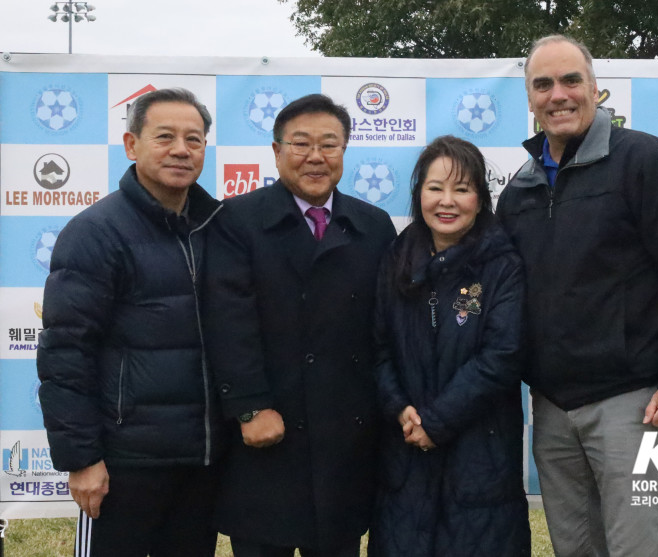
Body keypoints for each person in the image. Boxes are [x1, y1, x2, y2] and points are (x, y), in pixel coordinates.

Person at [496, 35, 658, 556]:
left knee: (637, 549)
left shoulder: (645, 160)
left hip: (633, 406)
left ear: (595, 90)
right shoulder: (520, 191)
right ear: (529, 99)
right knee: (575, 550)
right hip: (552, 410)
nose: (559, 94)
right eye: (543, 84)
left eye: (571, 80)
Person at [203, 93, 397, 557]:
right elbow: (227, 320)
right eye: (301, 144)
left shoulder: (373, 226)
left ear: (344, 152)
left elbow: (387, 328)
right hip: (268, 431)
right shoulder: (237, 220)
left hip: (344, 436)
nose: (316, 157)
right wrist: (250, 408)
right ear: (276, 151)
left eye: (329, 145)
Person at [37, 87, 226, 557]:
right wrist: (82, 459)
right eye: (165, 136)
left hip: (198, 463)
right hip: (124, 466)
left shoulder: (218, 228)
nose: (181, 149)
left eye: (194, 139)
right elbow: (65, 355)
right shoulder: (96, 232)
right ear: (131, 145)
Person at [369, 135, 531, 557]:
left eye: (462, 189)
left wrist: (436, 423)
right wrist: (399, 407)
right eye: (435, 187)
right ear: (419, 193)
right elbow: (378, 346)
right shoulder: (396, 257)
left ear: (480, 199)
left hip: (481, 450)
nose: (447, 201)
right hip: (404, 451)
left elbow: (502, 356)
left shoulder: (502, 264)